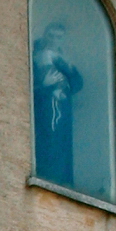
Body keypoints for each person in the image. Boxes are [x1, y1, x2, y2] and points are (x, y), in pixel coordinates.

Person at [32, 20, 82, 188]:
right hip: (44, 107)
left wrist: (68, 65)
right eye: (51, 35)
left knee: (62, 142)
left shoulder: (63, 58)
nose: (54, 40)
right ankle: (48, 177)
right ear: (45, 35)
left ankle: (63, 180)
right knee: (49, 140)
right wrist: (44, 86)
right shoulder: (36, 54)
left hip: (63, 107)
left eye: (58, 37)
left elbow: (78, 83)